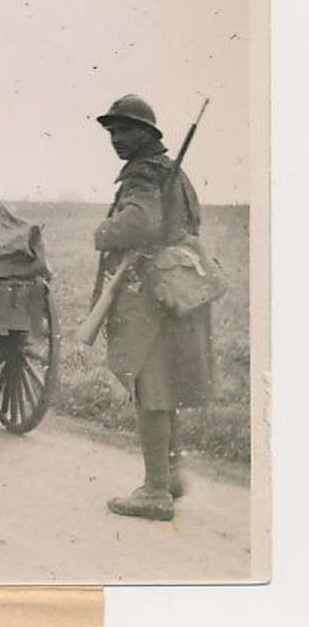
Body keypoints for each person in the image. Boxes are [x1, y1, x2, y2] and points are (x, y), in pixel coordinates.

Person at [92, 94, 215, 522]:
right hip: (181, 289)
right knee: (164, 389)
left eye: (124, 130)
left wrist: (102, 232)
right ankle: (171, 475)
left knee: (150, 389)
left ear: (147, 134)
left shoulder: (143, 175)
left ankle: (155, 490)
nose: (116, 139)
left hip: (151, 297)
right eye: (112, 132)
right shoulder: (174, 175)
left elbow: (139, 223)